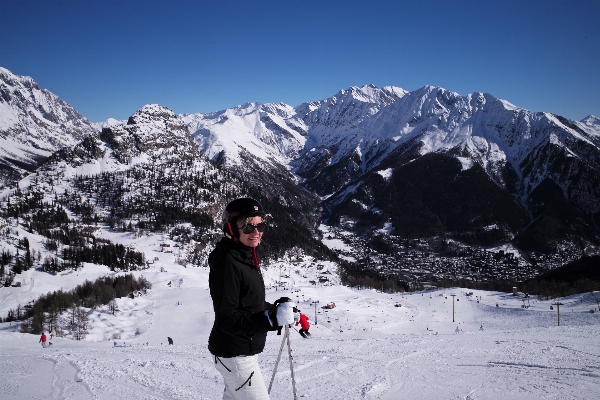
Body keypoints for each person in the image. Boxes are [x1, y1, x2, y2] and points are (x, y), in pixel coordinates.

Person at [208, 198, 295, 400]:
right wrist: (271, 320)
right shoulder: (227, 263)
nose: (256, 232)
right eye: (248, 226)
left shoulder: (244, 256)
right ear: (232, 228)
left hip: (240, 352)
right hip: (235, 354)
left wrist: (275, 310)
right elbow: (227, 318)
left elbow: (248, 302)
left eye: (260, 225)